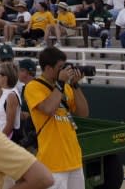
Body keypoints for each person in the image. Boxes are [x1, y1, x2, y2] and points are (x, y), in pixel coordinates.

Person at [24, 47, 89, 189]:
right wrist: (60, 84)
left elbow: (83, 113)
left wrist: (75, 84)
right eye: (60, 67)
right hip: (52, 162)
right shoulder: (33, 87)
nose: (64, 71)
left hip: (74, 159)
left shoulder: (66, 87)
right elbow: (48, 109)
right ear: (48, 68)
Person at [0, 62, 21, 143]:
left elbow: (9, 126)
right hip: (5, 138)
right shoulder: (6, 92)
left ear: (5, 78)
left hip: (8, 140)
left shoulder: (11, 96)